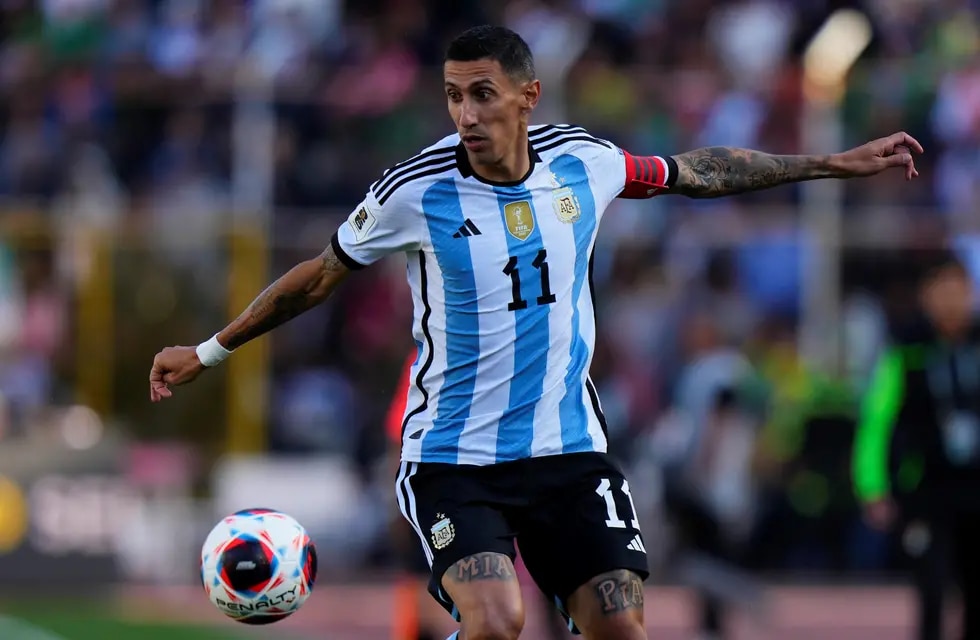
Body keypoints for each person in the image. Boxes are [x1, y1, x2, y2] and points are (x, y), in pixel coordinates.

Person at [149, 24, 921, 640]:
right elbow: (318, 276)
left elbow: (700, 170)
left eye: (483, 95)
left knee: (620, 626)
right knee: (496, 622)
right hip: (454, 459)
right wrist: (211, 351)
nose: (466, 115)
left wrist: (830, 163)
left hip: (567, 451)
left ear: (528, 97)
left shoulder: (585, 163)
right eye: (454, 96)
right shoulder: (413, 192)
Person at [853, 251, 980, 640]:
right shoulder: (907, 350)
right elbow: (877, 421)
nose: (951, 301)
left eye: (959, 290)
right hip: (927, 490)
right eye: (942, 291)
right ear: (926, 296)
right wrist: (872, 485)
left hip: (976, 488)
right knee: (932, 589)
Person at [387, 353, 460, 640]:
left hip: (441, 483)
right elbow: (400, 433)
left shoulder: (425, 354)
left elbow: (399, 434)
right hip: (437, 483)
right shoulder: (424, 355)